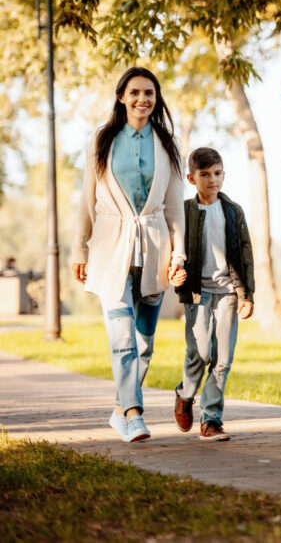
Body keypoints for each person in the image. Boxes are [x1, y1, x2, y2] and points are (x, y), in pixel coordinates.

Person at [72, 67, 187, 443]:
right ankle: (134, 414)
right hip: (110, 248)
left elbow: (174, 207)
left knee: (143, 343)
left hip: (155, 249)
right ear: (121, 96)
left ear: (156, 99)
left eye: (149, 93)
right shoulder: (101, 141)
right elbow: (86, 200)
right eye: (135, 92)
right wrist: (79, 248)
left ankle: (121, 406)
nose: (143, 100)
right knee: (121, 334)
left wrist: (179, 255)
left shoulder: (167, 144)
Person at [172, 147, 255, 441]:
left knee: (222, 359)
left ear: (224, 175)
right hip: (197, 293)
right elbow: (174, 252)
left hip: (228, 293)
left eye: (217, 173)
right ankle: (185, 393)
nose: (212, 180)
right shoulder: (183, 212)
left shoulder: (233, 211)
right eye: (205, 175)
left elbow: (245, 254)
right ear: (191, 178)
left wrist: (247, 295)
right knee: (200, 352)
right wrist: (175, 274)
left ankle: (211, 420)